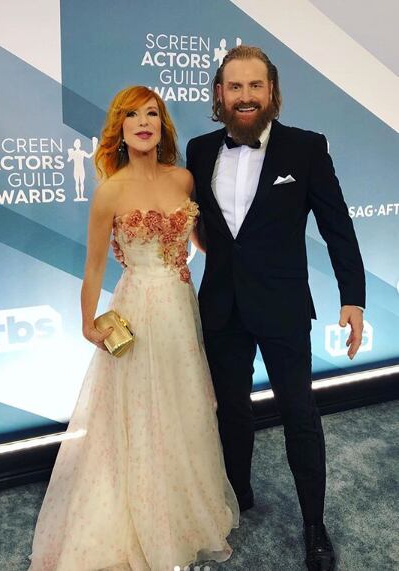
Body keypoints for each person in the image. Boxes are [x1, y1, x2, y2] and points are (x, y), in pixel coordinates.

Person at [27, 86, 239, 571]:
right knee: (141, 413)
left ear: (163, 125)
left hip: (181, 307)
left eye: (152, 114)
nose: (144, 122)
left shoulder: (183, 179)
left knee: (185, 406)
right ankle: (142, 512)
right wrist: (87, 322)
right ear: (119, 129)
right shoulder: (111, 191)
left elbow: (202, 242)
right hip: (137, 311)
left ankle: (183, 509)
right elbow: (94, 267)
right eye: (132, 115)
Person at [186, 45, 366, 571]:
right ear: (219, 95)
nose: (245, 97)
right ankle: (236, 498)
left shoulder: (306, 148)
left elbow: (338, 227)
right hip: (221, 306)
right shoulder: (199, 150)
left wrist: (352, 297)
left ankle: (314, 524)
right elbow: (203, 226)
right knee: (231, 412)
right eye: (234, 87)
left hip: (283, 305)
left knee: (299, 414)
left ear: (272, 92)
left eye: (255, 86)